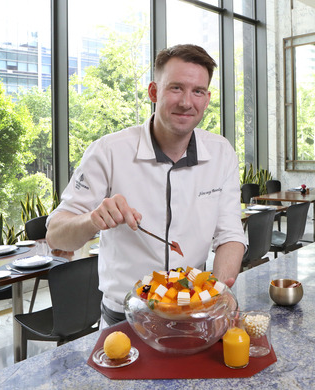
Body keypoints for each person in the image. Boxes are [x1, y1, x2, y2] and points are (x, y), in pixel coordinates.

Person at [46, 44, 246, 327]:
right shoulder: (108, 151)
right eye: (176, 88)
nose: (187, 102)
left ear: (207, 98)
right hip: (124, 318)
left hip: (194, 312)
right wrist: (92, 220)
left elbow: (230, 236)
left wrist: (218, 291)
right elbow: (56, 236)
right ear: (154, 92)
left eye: (197, 91)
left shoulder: (222, 153)